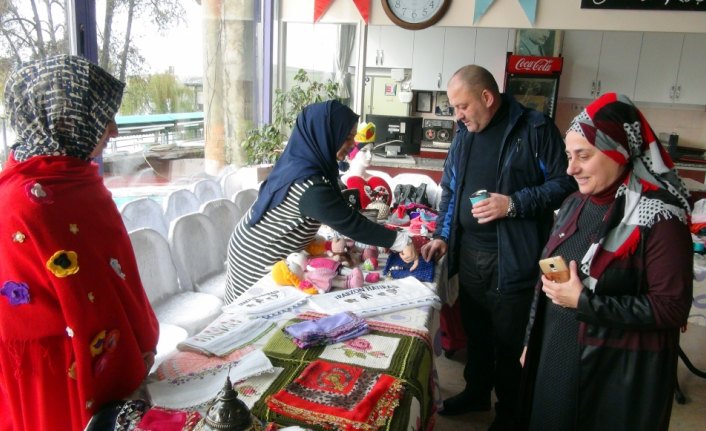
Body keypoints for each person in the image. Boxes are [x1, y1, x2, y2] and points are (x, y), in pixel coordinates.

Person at [0, 55, 159, 431]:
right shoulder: (23, 204)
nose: (114, 131)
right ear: (65, 119)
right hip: (58, 379)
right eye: (103, 117)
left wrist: (140, 344)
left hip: (115, 361)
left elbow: (118, 279)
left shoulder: (80, 185)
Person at [520, 93, 693, 431]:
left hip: (610, 371)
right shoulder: (574, 204)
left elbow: (671, 307)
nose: (571, 168)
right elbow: (549, 274)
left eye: (583, 155)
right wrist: (532, 338)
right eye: (569, 156)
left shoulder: (660, 218)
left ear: (618, 150)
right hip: (555, 350)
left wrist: (585, 302)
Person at [420, 65, 576, 430]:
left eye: (461, 106)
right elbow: (451, 191)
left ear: (487, 98)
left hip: (515, 259)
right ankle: (476, 393)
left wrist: (513, 204)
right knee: (477, 335)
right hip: (470, 255)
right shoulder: (464, 134)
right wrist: (442, 235)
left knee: (509, 345)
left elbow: (565, 184)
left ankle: (509, 414)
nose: (456, 115)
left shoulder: (534, 129)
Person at [224, 100, 413, 303]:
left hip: (265, 249)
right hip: (257, 256)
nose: (352, 145)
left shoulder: (306, 164)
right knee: (260, 318)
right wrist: (400, 241)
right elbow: (350, 223)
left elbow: (338, 211)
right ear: (326, 135)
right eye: (347, 137)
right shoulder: (307, 182)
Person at [342, 122, 393, 209]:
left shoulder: (376, 180)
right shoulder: (340, 183)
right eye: (364, 150)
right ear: (352, 152)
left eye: (371, 150)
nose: (370, 155)